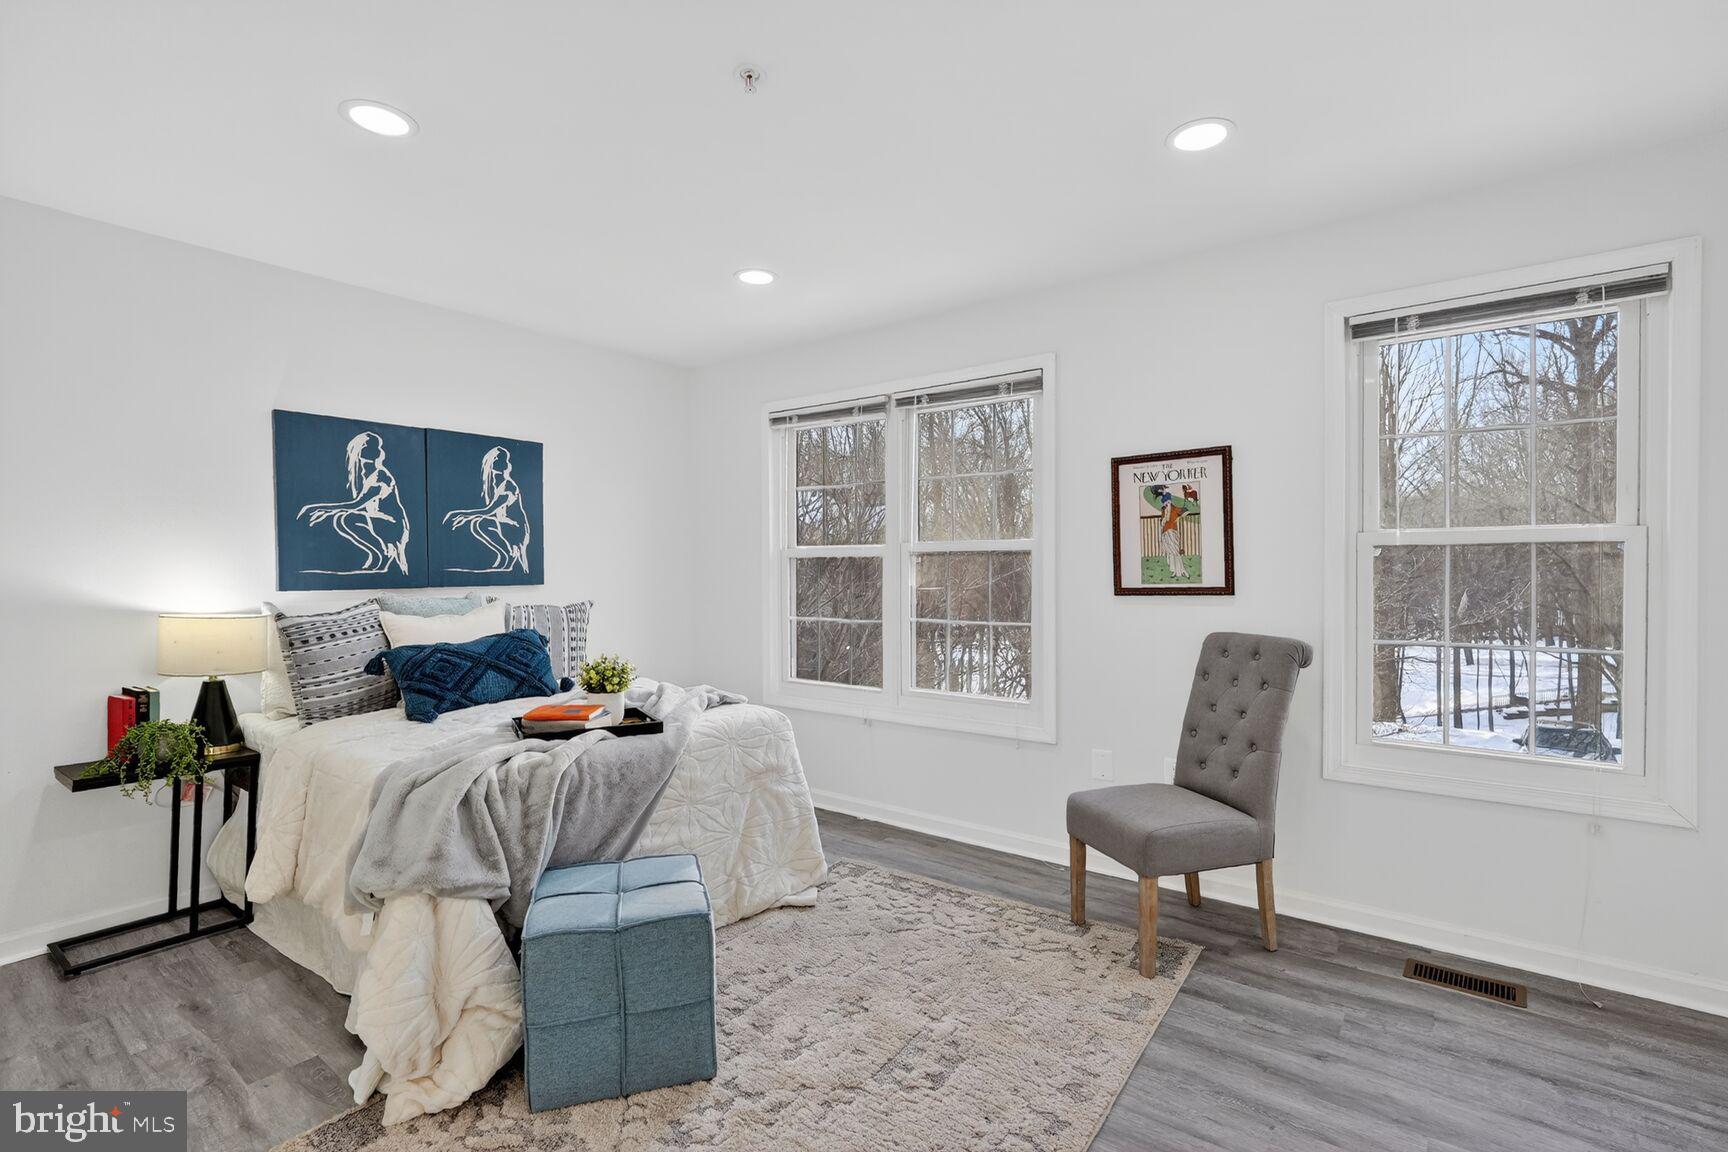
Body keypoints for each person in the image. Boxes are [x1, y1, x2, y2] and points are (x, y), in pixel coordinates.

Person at [297, 431, 411, 574]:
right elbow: (360, 506)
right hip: (378, 520)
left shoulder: (381, 476)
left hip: (392, 524)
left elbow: (356, 504)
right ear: (361, 449)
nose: (379, 450)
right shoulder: (364, 475)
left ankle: (381, 555)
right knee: (342, 519)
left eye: (378, 447)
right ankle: (378, 555)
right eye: (373, 446)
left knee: (347, 518)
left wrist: (321, 508)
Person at [443, 445, 531, 573]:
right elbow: (492, 513)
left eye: (504, 460)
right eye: (499, 459)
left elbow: (489, 511)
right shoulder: (495, 486)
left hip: (516, 527)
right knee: (479, 523)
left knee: (523, 562)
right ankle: (505, 555)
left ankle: (511, 559)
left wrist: (461, 514)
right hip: (505, 523)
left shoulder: (508, 486)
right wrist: (469, 516)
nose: (505, 462)